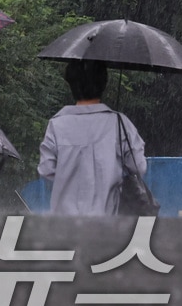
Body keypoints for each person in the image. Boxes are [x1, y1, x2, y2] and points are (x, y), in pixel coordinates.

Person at [38, 59, 147, 215]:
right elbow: (139, 167)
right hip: (107, 224)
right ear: (104, 83)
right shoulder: (119, 123)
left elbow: (46, 169)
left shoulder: (57, 125)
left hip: (64, 226)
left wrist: (70, 178)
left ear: (71, 84)